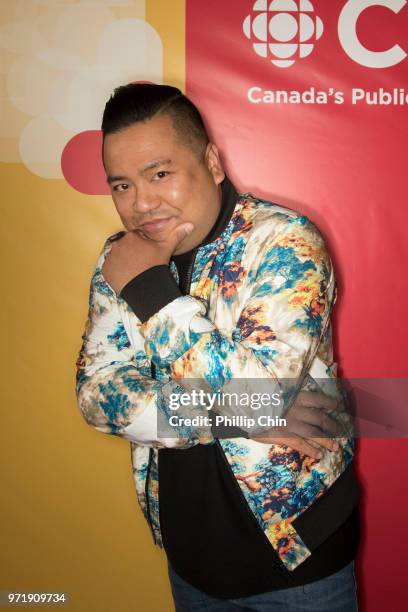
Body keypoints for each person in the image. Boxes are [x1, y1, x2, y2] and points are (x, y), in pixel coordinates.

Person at [75, 83, 360, 611]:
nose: (141, 204)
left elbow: (264, 394)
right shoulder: (120, 258)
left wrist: (154, 298)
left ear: (210, 161)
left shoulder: (285, 242)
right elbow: (97, 396)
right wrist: (238, 414)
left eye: (160, 174)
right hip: (192, 557)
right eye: (121, 185)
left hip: (299, 558)